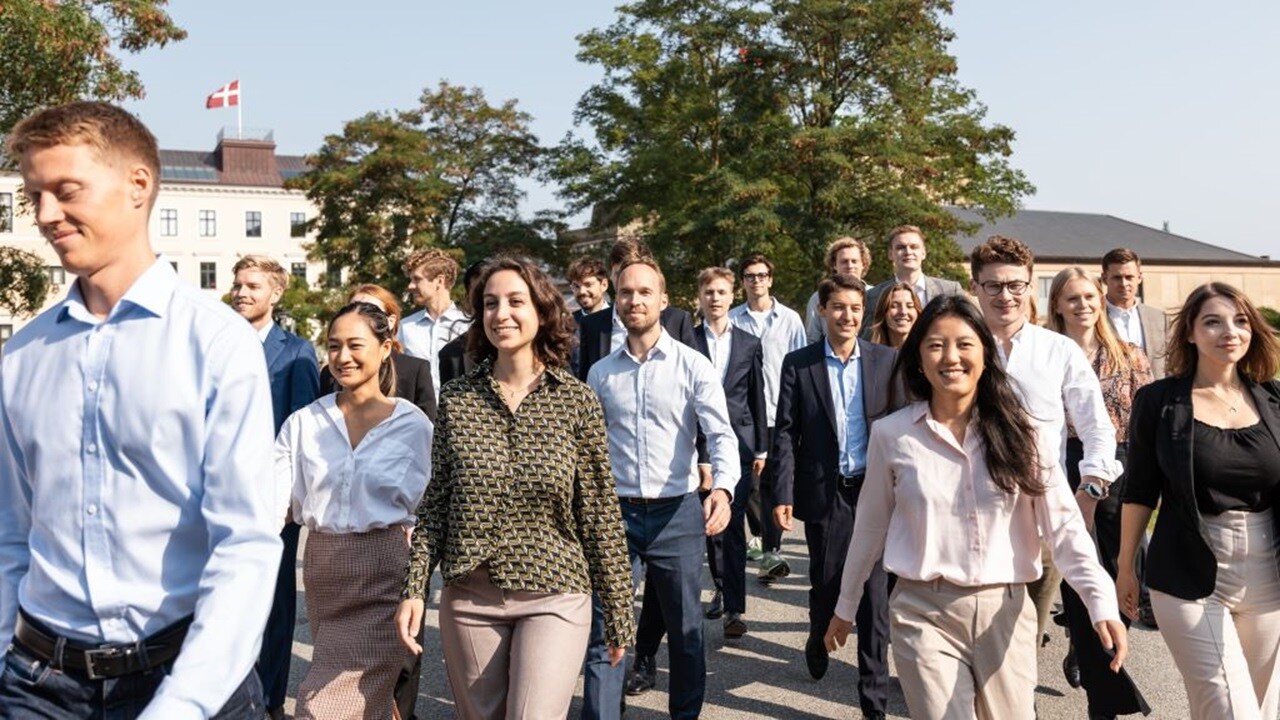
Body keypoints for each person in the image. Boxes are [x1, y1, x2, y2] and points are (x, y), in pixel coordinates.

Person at [0, 101, 280, 717]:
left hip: (184, 678)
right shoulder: (21, 356)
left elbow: (246, 542)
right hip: (38, 685)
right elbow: (12, 533)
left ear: (138, 185)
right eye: (35, 195)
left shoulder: (215, 341)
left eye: (66, 190)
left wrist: (183, 704)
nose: (46, 215)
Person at [824, 295, 1128, 719]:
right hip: (921, 611)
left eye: (965, 344)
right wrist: (844, 607)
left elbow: (1064, 529)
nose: (951, 357)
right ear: (918, 358)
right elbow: (870, 528)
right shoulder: (892, 436)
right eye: (935, 345)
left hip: (1004, 612)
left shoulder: (1025, 435)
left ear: (986, 354)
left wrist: (1100, 602)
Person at [397, 257, 634, 720]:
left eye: (514, 301)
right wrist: (414, 588)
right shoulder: (459, 399)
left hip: (555, 592)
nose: (500, 313)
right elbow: (436, 504)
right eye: (489, 304)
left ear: (542, 311)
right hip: (469, 597)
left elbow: (600, 512)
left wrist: (620, 612)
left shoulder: (576, 401)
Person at [584, 257, 739, 720]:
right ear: (617, 301)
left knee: (687, 630)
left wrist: (724, 489)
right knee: (606, 629)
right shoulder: (600, 373)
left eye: (645, 292)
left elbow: (721, 433)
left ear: (664, 301)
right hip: (615, 515)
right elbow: (587, 448)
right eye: (626, 293)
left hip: (677, 513)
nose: (635, 300)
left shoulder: (693, 366)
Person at [1117, 282, 1280, 720]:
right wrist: (1126, 565)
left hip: (1269, 572)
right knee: (1232, 709)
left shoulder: (1274, 398)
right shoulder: (1159, 401)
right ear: (1189, 332)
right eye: (1212, 321)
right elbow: (1139, 489)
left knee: (1261, 707)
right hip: (1189, 568)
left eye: (1240, 321)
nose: (1230, 331)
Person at [278, 301, 432, 719]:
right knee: (363, 700)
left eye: (355, 345)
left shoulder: (414, 425)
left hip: (386, 570)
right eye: (334, 346)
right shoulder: (303, 423)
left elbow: (432, 506)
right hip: (325, 572)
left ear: (386, 348)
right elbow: (274, 504)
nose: (342, 356)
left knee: (326, 702)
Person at [969, 236, 1122, 648]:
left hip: (1041, 517)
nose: (1007, 295)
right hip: (968, 516)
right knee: (973, 641)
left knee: (1024, 643)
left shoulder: (1058, 350)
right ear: (975, 288)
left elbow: (1096, 426)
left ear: (1029, 285)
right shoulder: (958, 348)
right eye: (994, 286)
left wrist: (1092, 484)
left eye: (1016, 285)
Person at [772, 273, 903, 720]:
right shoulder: (800, 364)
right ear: (822, 311)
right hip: (826, 493)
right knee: (827, 584)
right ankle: (817, 630)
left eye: (855, 308)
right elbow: (786, 433)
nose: (848, 316)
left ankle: (873, 702)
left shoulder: (885, 361)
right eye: (839, 308)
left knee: (875, 601)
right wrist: (782, 490)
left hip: (875, 492)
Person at [1046, 267, 1153, 719]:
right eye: (1072, 298)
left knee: (1121, 580)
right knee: (1080, 582)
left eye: (1089, 296)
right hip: (1068, 467)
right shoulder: (1047, 355)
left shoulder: (1129, 355)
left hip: (1124, 475)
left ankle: (1088, 649)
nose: (1082, 305)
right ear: (1057, 305)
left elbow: (1148, 423)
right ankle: (1103, 698)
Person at [230, 254, 321, 720]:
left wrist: (289, 500)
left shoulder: (296, 351)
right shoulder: (216, 344)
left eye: (252, 285)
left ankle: (268, 701)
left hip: (269, 498)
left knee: (275, 600)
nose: (242, 292)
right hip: (218, 495)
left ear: (275, 293)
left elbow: (302, 429)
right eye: (238, 284)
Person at [728, 254, 808, 584]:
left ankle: (772, 552)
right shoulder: (733, 319)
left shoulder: (789, 319)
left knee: (776, 484)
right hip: (746, 415)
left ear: (770, 280)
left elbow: (801, 364)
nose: (756, 281)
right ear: (742, 282)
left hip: (780, 411)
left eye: (762, 275)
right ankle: (761, 538)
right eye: (749, 276)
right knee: (748, 486)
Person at [576, 239, 697, 380]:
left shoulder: (677, 321)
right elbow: (585, 385)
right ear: (611, 274)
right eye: (620, 272)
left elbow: (692, 374)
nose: (628, 278)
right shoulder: (591, 325)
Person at [321, 283, 438, 421]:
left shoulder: (415, 370)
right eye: (351, 308)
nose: (358, 315)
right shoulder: (330, 375)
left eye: (371, 311)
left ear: (391, 321)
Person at [861, 225, 964, 336]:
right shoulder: (874, 296)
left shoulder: (950, 291)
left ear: (924, 252)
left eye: (914, 247)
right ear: (890, 254)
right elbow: (868, 338)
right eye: (901, 247)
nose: (908, 252)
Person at [399, 248, 471, 397]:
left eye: (417, 279)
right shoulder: (404, 328)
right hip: (416, 416)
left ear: (439, 281)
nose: (410, 286)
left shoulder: (467, 326)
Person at [1102, 247, 1168, 380]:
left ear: (1139, 278)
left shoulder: (1159, 319)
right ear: (1104, 279)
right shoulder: (1093, 317)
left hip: (1155, 398)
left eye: (1129, 277)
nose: (1123, 283)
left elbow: (1171, 364)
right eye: (1117, 277)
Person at [805, 236, 871, 343]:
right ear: (834, 265)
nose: (850, 266)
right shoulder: (818, 298)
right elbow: (812, 338)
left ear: (863, 264)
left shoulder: (877, 295)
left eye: (854, 261)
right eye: (844, 261)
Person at [438, 261, 486, 387]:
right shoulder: (453, 355)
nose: (485, 303)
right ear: (468, 298)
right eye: (479, 294)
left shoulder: (538, 348)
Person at [867, 280, 923, 349]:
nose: (903, 312)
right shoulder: (869, 356)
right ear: (883, 313)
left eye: (909, 306)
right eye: (894, 306)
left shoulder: (926, 355)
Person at [569, 256, 612, 320]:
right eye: (576, 286)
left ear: (604, 285)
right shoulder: (568, 324)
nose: (581, 291)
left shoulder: (621, 317)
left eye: (588, 285)